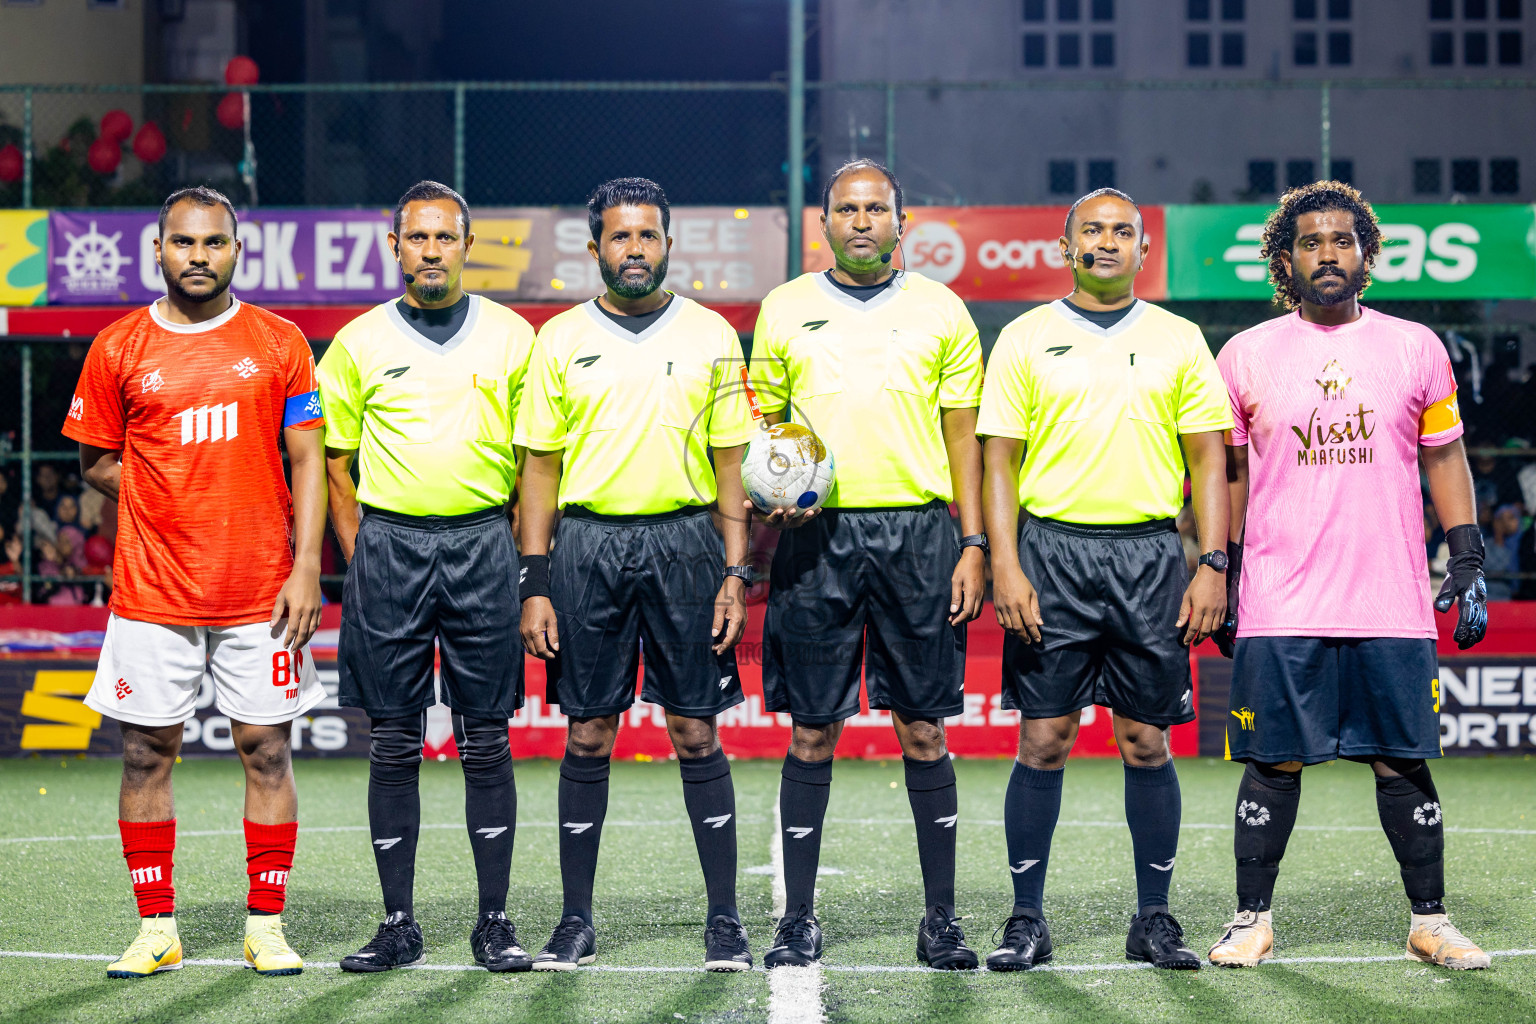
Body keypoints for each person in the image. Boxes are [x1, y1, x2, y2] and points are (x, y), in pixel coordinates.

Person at [1207, 181, 1491, 970]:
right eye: (1310, 242)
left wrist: (1467, 555)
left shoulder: (1416, 347)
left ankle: (1430, 922)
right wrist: (1221, 569)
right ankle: (1251, 921)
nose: (1326, 253)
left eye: (1342, 240)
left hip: (1388, 599)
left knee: (1402, 760)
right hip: (1280, 600)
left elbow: (1444, 457)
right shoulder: (1246, 354)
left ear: (1366, 253)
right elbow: (1230, 475)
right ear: (1285, 260)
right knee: (1273, 762)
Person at [65, 186, 327, 978]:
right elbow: (96, 460)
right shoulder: (117, 346)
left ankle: (266, 926)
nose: (199, 256)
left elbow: (309, 459)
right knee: (145, 754)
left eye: (214, 242)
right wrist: (166, 497)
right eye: (184, 242)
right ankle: (157, 929)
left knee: (267, 752)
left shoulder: (280, 342)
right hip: (152, 591)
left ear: (237, 250)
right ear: (159, 249)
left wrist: (307, 567)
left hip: (262, 591)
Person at [978, 188, 1230, 971]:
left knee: (1146, 740)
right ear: (1066, 246)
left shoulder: (1179, 339)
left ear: (1144, 250)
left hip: (1150, 557)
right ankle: (1026, 920)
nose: (1109, 241)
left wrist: (1212, 562)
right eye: (1093, 229)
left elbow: (1208, 460)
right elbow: (998, 463)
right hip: (1051, 554)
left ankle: (1153, 919)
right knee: (1044, 737)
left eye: (1124, 231)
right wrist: (1006, 563)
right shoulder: (1025, 337)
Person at [747, 159, 987, 970]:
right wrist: (772, 493)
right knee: (813, 729)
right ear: (824, 224)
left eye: (875, 209)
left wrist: (973, 542)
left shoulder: (941, 309)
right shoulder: (784, 308)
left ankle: (941, 919)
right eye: (846, 210)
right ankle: (797, 919)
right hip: (817, 539)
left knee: (923, 727)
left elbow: (964, 438)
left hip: (918, 536)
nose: (860, 222)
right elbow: (768, 430)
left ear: (899, 223)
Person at [516, 177, 755, 972]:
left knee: (695, 729)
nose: (635, 249)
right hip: (587, 546)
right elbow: (539, 471)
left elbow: (731, 462)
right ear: (596, 249)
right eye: (620, 237)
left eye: (647, 235)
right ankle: (575, 922)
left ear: (667, 244)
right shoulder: (558, 339)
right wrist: (536, 581)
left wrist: (734, 571)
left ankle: (724, 920)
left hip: (687, 543)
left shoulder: (712, 333)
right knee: (588, 732)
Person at [319, 181, 538, 973]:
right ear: (396, 247)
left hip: (483, 542)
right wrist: (363, 557)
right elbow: (336, 465)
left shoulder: (514, 337)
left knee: (487, 738)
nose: (432, 250)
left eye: (446, 237)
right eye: (418, 237)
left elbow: (534, 464)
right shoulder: (356, 343)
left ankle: (494, 923)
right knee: (393, 740)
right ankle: (398, 923)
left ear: (468, 245)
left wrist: (524, 560)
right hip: (389, 547)